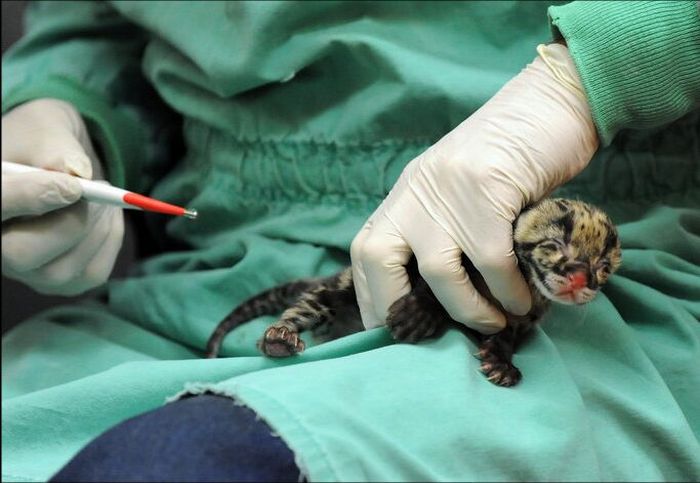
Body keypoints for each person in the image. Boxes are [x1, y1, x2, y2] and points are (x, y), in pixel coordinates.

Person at [2, 1, 699, 481]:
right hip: (211, 270)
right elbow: (101, 23)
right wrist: (64, 107)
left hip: (622, 289)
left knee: (175, 462)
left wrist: (600, 75)